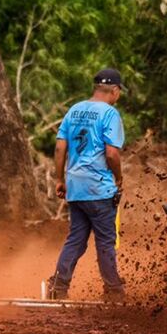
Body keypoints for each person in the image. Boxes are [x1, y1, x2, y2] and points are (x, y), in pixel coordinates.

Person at [46, 67, 126, 301]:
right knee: (105, 241)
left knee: (76, 239)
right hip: (99, 187)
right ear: (115, 91)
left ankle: (58, 287)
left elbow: (61, 147)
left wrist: (60, 179)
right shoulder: (110, 114)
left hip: (76, 187)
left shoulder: (74, 110)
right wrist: (118, 177)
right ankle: (113, 289)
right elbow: (111, 154)